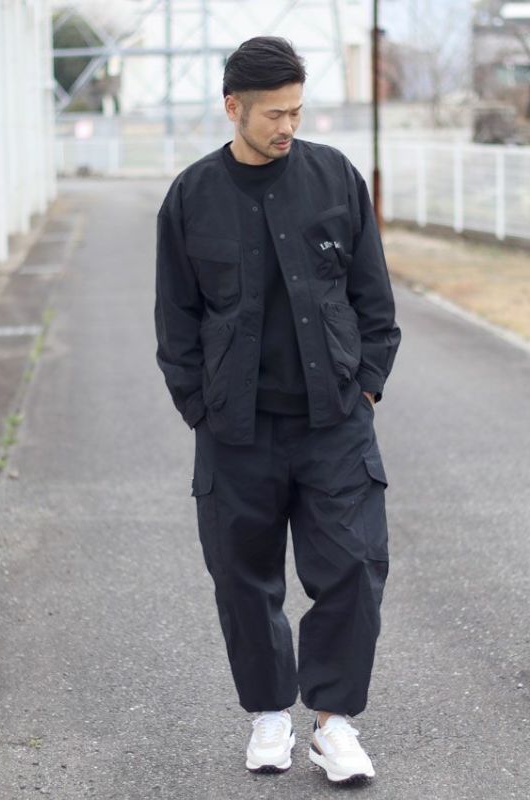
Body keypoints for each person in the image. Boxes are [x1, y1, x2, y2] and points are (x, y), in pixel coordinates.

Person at [154, 35, 401, 784]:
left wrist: (366, 387)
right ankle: (268, 714)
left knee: (354, 566)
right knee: (243, 577)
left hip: (334, 422)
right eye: (273, 114)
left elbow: (374, 299)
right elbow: (177, 320)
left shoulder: (335, 177)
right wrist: (199, 407)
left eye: (296, 111)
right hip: (237, 431)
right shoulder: (192, 196)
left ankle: (333, 723)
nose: (288, 126)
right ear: (233, 107)